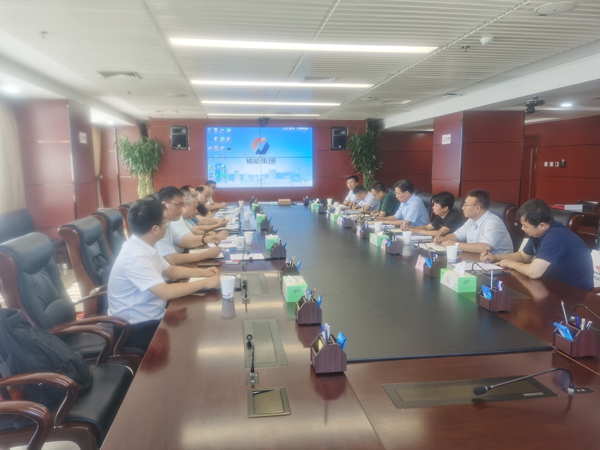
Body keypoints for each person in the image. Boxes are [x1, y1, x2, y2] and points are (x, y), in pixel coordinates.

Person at [107, 198, 221, 351]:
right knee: (196, 338)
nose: (167, 225)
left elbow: (171, 271)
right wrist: (204, 283)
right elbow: (165, 292)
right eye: (165, 222)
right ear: (155, 229)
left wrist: (203, 273)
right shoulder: (136, 256)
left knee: (199, 322)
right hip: (134, 329)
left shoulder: (144, 245)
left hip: (151, 316)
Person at [481, 199, 594, 290]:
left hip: (574, 294)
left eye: (525, 226)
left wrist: (511, 263)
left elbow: (534, 272)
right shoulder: (538, 233)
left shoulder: (555, 236)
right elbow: (523, 256)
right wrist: (496, 257)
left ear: (542, 225)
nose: (522, 228)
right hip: (551, 285)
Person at [154, 186, 223, 265]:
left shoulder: (167, 223)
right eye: (178, 205)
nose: (181, 209)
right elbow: (173, 260)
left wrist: (207, 239)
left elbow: (183, 242)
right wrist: (207, 254)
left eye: (182, 205)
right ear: (165, 204)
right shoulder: (156, 227)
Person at [438, 189, 513, 255]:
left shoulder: (493, 222)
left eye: (466, 205)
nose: (463, 208)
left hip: (498, 264)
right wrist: (444, 239)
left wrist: (455, 244)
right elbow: (456, 236)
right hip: (478, 260)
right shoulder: (471, 220)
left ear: (477, 208)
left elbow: (485, 247)